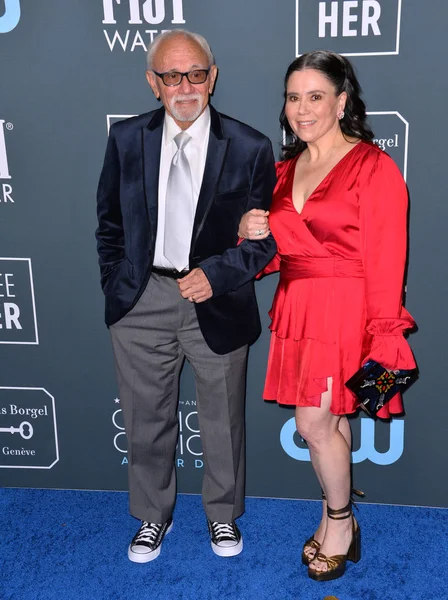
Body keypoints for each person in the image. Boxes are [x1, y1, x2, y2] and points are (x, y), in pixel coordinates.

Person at [95, 29, 276, 563]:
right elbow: (108, 224)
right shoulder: (126, 139)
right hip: (141, 299)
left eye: (195, 73)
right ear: (154, 83)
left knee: (222, 420)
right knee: (145, 417)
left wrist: (216, 275)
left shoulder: (250, 146)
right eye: (171, 76)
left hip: (215, 302)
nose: (185, 86)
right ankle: (153, 517)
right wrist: (117, 281)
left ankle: (222, 516)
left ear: (212, 77)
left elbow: (267, 242)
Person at [238, 50, 416, 581]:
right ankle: (333, 514)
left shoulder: (373, 166)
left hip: (349, 309)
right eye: (294, 97)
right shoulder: (283, 169)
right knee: (330, 421)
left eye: (315, 96)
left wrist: (384, 335)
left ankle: (341, 521)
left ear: (342, 102)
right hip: (299, 307)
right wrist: (250, 232)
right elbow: (279, 253)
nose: (302, 108)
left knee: (313, 422)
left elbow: (387, 260)